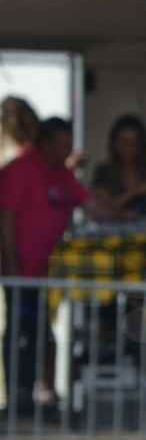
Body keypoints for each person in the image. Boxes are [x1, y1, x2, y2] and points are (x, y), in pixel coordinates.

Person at [0, 117, 90, 411]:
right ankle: (19, 396)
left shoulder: (61, 174)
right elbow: (7, 219)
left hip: (48, 273)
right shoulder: (20, 171)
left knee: (42, 334)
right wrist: (12, 264)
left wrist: (124, 208)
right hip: (21, 272)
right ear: (46, 143)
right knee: (20, 333)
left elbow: (89, 202)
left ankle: (41, 393)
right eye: (62, 145)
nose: (67, 151)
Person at [89, 114, 146, 223]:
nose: (128, 148)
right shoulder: (103, 172)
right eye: (124, 142)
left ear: (141, 146)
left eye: (134, 143)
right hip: (109, 235)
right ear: (114, 144)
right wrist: (133, 192)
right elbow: (99, 209)